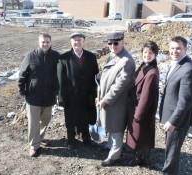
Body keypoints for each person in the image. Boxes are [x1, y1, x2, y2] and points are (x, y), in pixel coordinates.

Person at [159, 36, 192, 175]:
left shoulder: (188, 69)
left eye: (178, 48)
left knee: (172, 154)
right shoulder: (176, 64)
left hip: (178, 121)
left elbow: (185, 101)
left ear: (186, 49)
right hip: (171, 116)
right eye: (172, 48)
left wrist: (172, 121)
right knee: (170, 150)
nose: (174, 51)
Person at [18, 33, 60, 157]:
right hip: (33, 96)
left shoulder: (56, 56)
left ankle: (40, 138)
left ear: (51, 42)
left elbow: (62, 74)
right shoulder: (30, 56)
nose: (45, 44)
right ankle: (34, 145)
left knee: (46, 120)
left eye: (47, 42)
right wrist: (21, 90)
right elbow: (22, 75)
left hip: (49, 96)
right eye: (43, 42)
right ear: (39, 42)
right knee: (33, 122)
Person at [97, 32, 136, 166]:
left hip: (117, 101)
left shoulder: (127, 61)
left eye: (115, 43)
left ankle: (114, 155)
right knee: (110, 125)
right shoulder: (113, 55)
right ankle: (110, 146)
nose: (112, 46)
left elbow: (119, 86)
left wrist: (106, 100)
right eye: (109, 43)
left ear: (122, 43)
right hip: (109, 100)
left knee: (116, 128)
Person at [57, 32, 99, 150]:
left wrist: (95, 93)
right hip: (71, 95)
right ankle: (71, 140)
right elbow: (60, 79)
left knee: (86, 116)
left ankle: (86, 138)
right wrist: (61, 97)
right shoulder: (64, 58)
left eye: (79, 39)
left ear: (83, 41)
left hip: (87, 94)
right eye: (74, 40)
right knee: (71, 118)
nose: (77, 42)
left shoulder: (91, 57)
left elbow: (95, 76)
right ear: (71, 42)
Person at [126, 41, 160, 167]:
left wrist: (138, 115)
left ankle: (142, 159)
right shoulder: (144, 66)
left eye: (150, 53)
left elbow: (146, 96)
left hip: (142, 110)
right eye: (145, 52)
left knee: (142, 135)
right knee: (141, 135)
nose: (147, 55)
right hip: (136, 107)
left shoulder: (151, 73)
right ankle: (140, 157)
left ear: (155, 55)